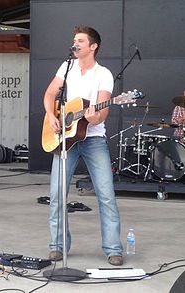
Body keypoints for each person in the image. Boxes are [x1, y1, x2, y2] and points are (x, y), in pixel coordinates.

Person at [43, 26, 123, 266]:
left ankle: (113, 249)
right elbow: (49, 94)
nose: (74, 44)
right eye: (74, 40)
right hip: (65, 140)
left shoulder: (104, 74)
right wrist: (51, 115)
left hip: (93, 139)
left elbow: (101, 114)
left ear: (93, 46)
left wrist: (92, 116)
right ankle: (57, 246)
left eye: (79, 41)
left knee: (106, 195)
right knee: (57, 195)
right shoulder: (66, 68)